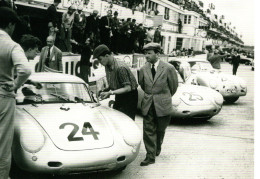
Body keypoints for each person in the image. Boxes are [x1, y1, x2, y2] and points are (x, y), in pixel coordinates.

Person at [0, 7, 31, 179]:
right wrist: (15, 85)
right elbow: (25, 70)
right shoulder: (12, 45)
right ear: (10, 24)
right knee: (3, 144)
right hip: (3, 96)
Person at [138, 43, 178, 166]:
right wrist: (151, 95)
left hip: (163, 104)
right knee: (148, 130)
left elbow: (173, 87)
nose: (146, 56)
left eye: (149, 53)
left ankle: (157, 146)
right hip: (148, 104)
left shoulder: (168, 68)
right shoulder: (143, 69)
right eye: (145, 53)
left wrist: (163, 97)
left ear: (157, 54)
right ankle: (150, 156)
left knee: (160, 130)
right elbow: (143, 85)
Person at [93, 44, 138, 120]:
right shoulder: (107, 65)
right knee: (117, 118)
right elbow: (113, 84)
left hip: (129, 97)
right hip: (119, 94)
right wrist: (104, 91)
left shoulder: (120, 68)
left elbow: (128, 88)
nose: (99, 62)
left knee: (126, 120)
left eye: (100, 59)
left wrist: (110, 93)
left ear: (107, 56)